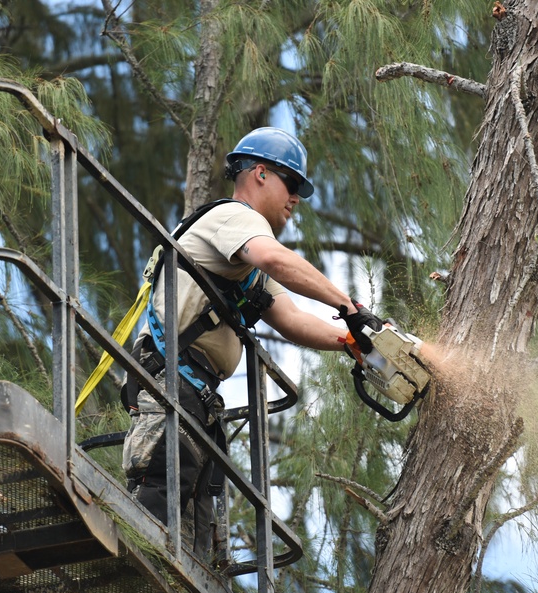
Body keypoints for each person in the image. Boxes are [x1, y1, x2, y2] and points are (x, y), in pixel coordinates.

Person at [121, 126, 381, 553]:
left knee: (194, 524)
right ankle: (131, 578)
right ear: (260, 173)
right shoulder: (236, 218)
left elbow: (291, 318)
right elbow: (275, 258)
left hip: (194, 392)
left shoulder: (247, 267)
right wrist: (349, 306)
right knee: (160, 493)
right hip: (170, 377)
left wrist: (356, 343)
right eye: (291, 183)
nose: (296, 198)